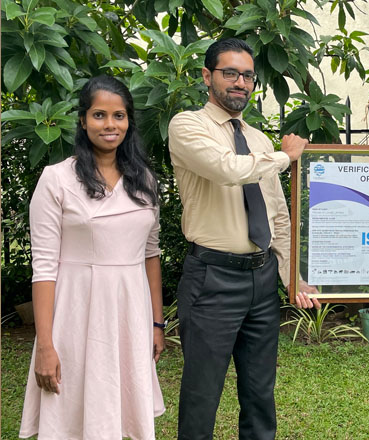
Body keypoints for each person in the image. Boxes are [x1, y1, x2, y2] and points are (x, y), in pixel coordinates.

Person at [168, 38, 319, 440]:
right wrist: (286, 157)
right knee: (202, 395)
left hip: (262, 280)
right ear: (207, 76)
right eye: (230, 73)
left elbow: (278, 217)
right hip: (212, 280)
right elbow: (226, 169)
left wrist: (290, 276)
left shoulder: (258, 140)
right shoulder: (187, 126)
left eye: (248, 76)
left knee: (259, 394)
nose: (240, 82)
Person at [19, 75, 165, 439]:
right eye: (99, 115)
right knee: (73, 412)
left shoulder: (144, 181)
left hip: (130, 312)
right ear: (83, 120)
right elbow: (44, 268)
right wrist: (46, 345)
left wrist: (156, 323)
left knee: (120, 410)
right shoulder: (57, 179)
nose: (110, 124)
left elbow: (150, 255)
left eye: (119, 115)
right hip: (75, 314)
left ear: (129, 121)